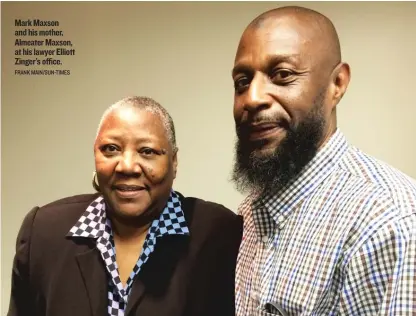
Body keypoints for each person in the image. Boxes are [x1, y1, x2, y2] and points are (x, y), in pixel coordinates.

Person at [231, 6, 416, 316]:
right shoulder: (250, 213)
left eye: (282, 75)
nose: (252, 98)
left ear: (337, 84)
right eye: (242, 82)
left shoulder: (391, 224)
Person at [8, 96, 243, 316]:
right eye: (111, 149)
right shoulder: (44, 233)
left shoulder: (219, 234)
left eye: (147, 151)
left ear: (174, 161)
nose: (126, 166)